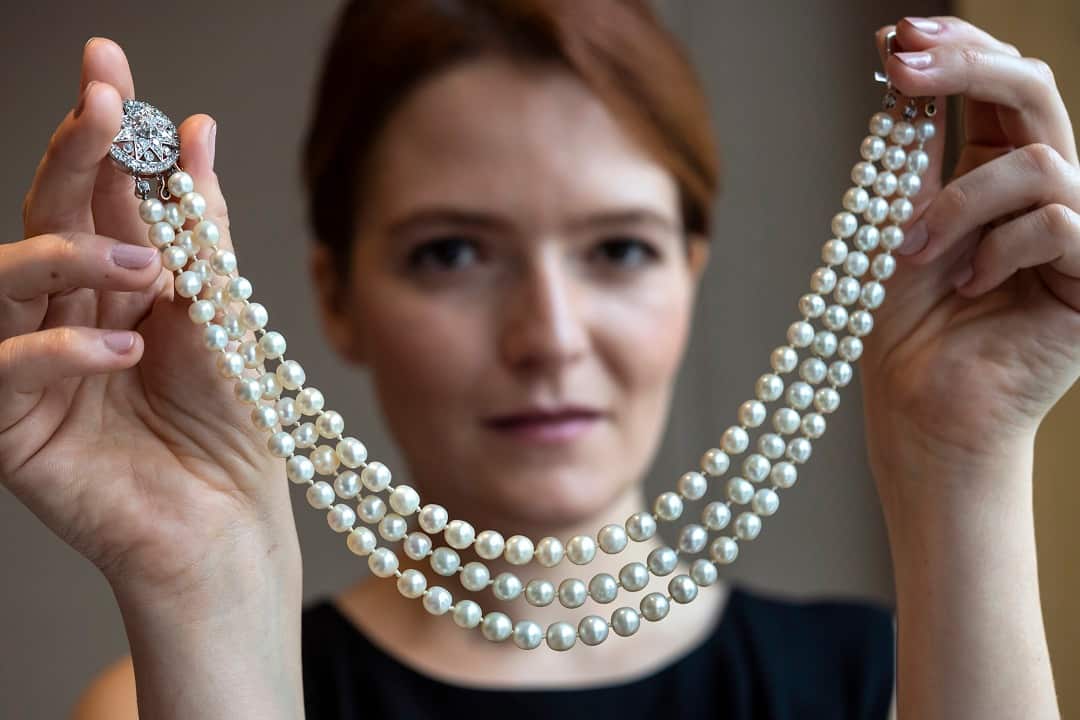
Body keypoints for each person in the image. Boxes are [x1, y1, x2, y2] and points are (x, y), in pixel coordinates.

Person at [1, 1, 1073, 718]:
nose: (550, 335)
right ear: (336, 295)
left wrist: (962, 465)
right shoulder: (167, 687)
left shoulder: (888, 679)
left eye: (618, 249)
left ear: (691, 268)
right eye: (453, 252)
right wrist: (206, 587)